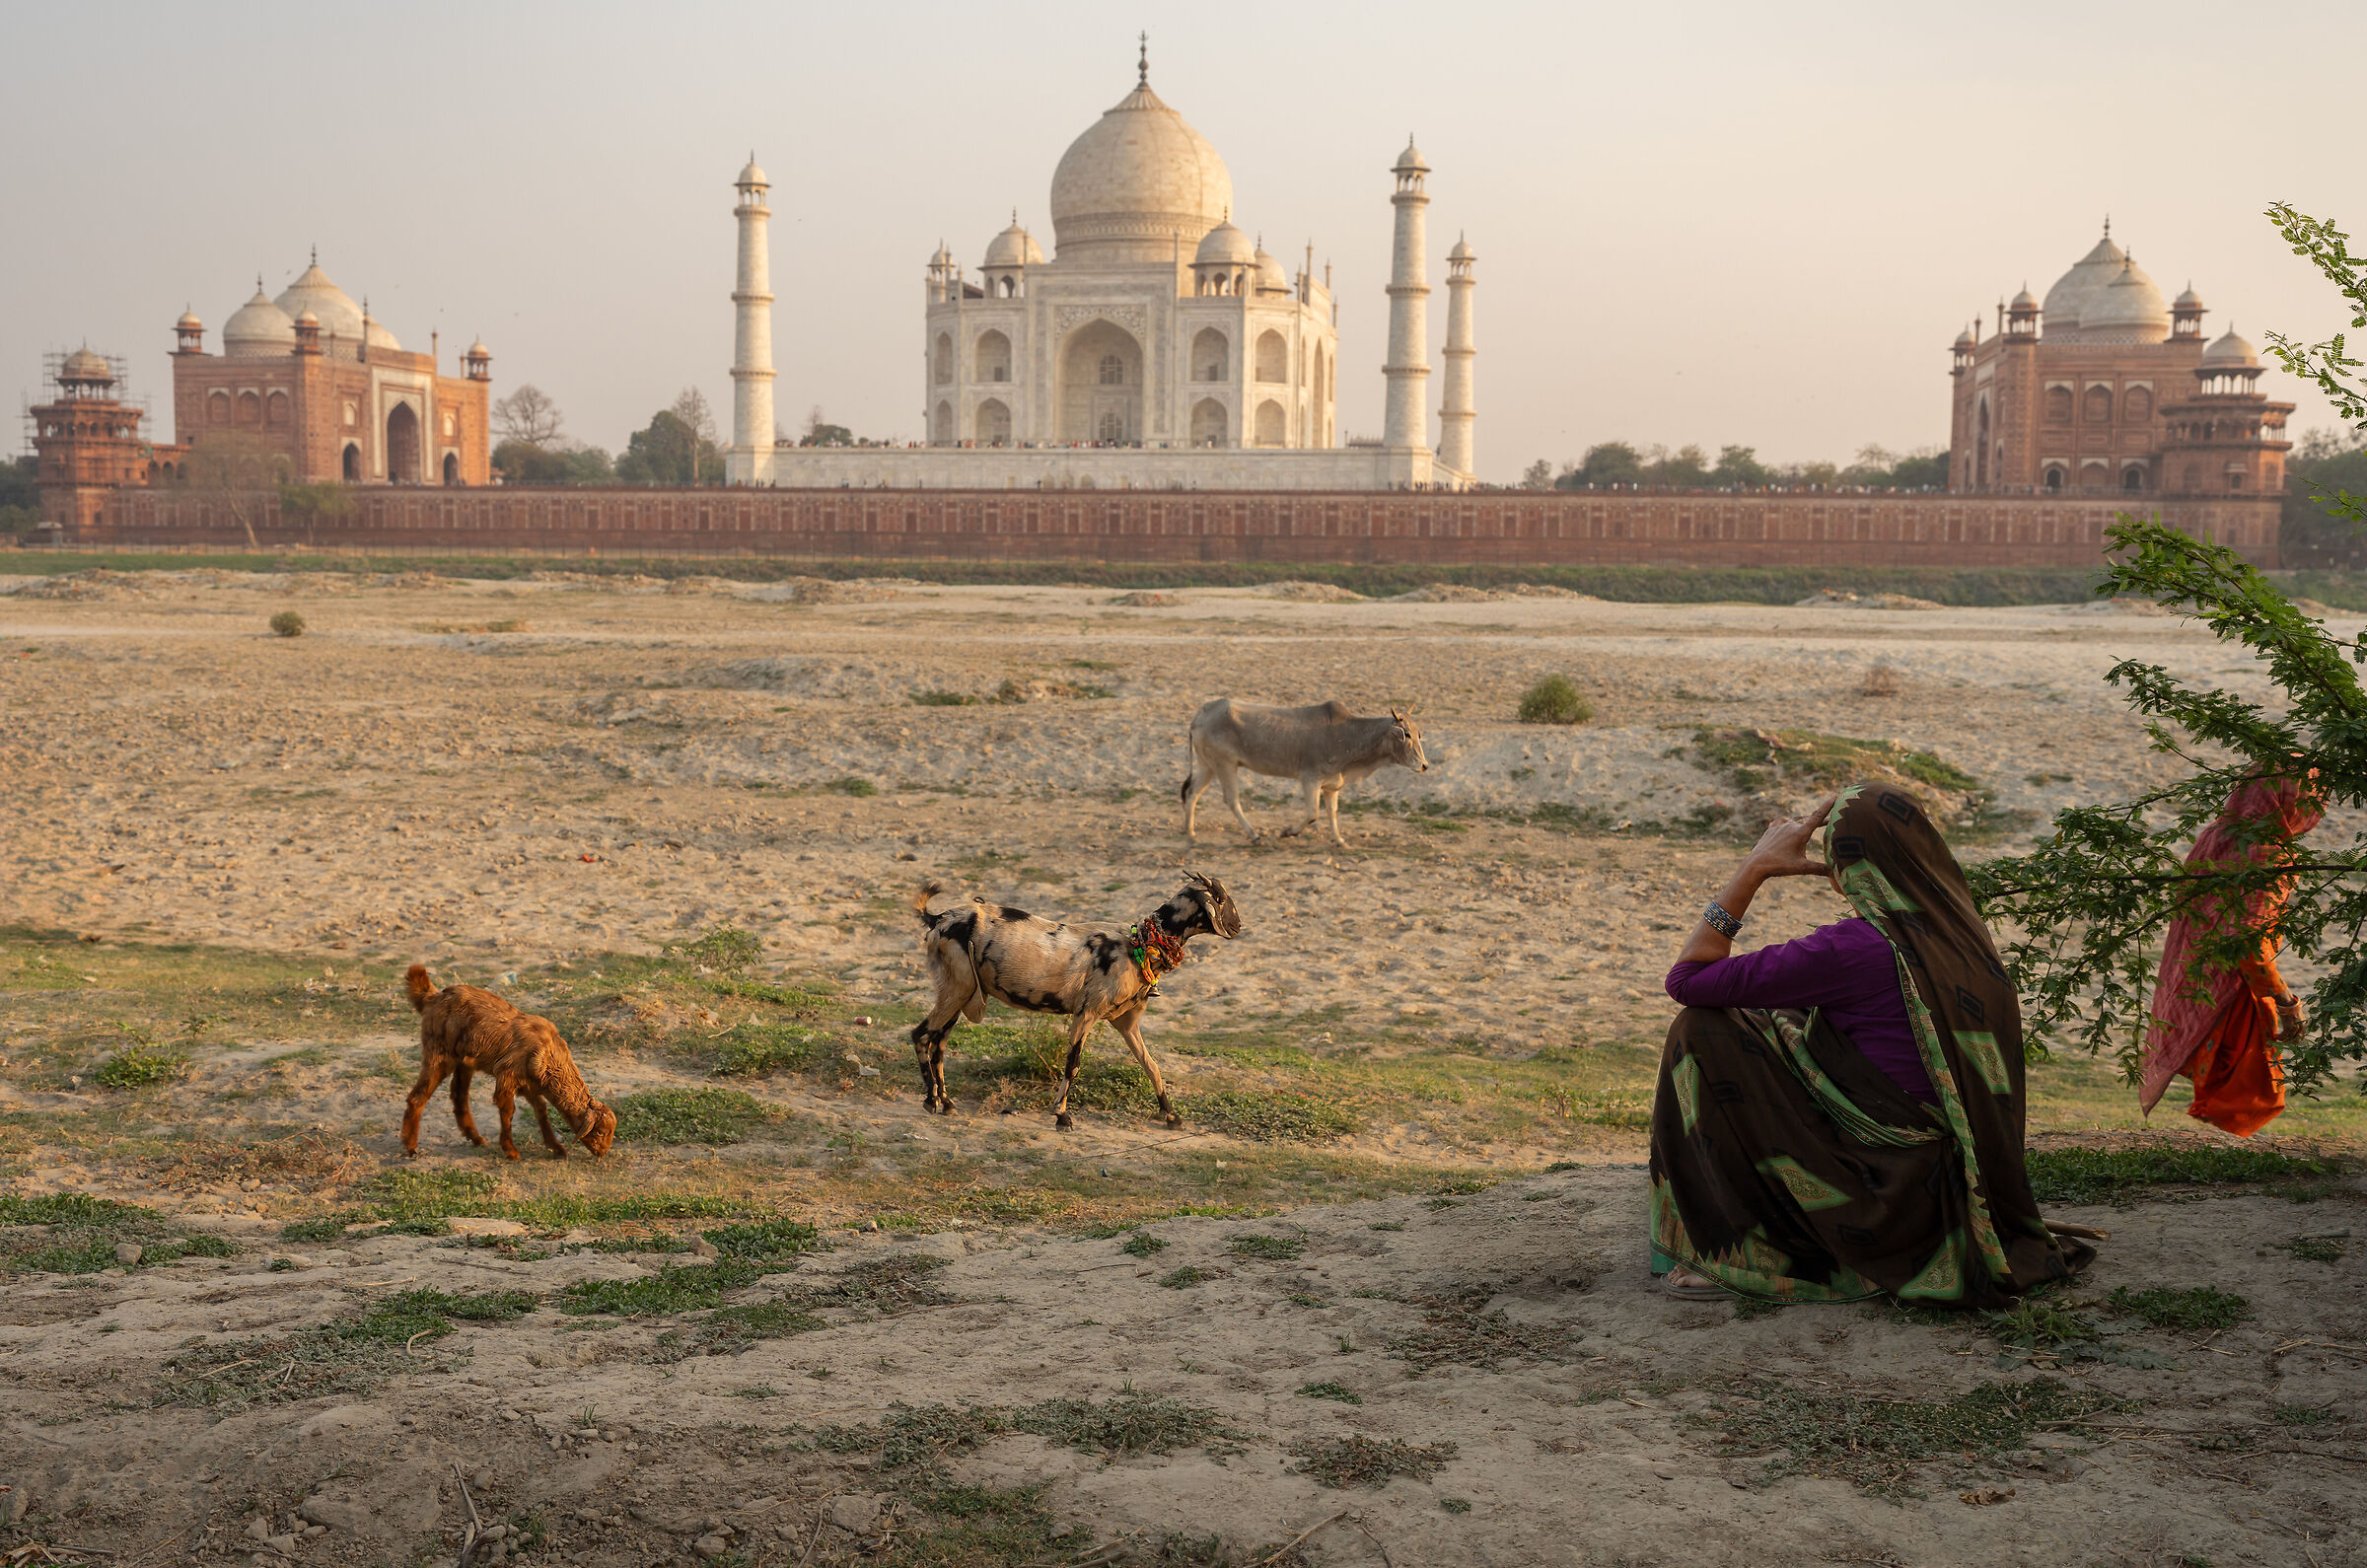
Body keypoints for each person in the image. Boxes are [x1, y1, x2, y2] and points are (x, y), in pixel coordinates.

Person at [1648, 784, 2089, 1306]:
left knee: (1699, 1030)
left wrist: (1753, 870)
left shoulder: (1852, 950)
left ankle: (1746, 1250)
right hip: (1956, 1177)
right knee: (1780, 1017)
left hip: (1886, 1192)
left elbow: (1688, 980)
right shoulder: (1958, 933)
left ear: (1842, 868)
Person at [2137, 772, 2324, 1138]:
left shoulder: (2216, 835)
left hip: (2200, 971)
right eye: (2310, 798)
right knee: (2254, 1091)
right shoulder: (2269, 853)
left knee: (2230, 1081)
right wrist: (2286, 1001)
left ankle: (2216, 1144)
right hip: (2236, 984)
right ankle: (2224, 1152)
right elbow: (2248, 941)